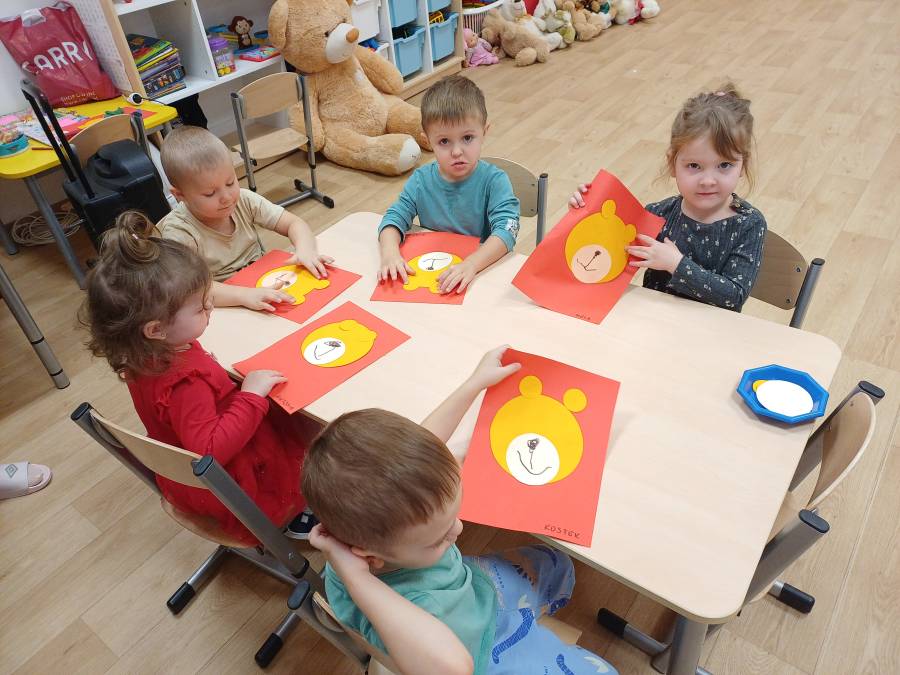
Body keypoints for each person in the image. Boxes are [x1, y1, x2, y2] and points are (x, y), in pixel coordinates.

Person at [302, 347, 618, 675]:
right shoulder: (382, 600)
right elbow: (454, 668)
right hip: (478, 651)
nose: (459, 530)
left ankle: (526, 612)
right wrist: (356, 578)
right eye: (438, 539)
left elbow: (425, 444)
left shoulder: (370, 531)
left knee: (558, 564)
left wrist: (474, 384)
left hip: (471, 593)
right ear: (369, 557)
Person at [81, 211, 316, 543]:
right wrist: (250, 396)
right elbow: (210, 450)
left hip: (193, 466)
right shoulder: (184, 383)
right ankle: (294, 514)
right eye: (201, 308)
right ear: (156, 329)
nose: (211, 308)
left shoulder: (146, 353)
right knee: (308, 433)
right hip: (238, 484)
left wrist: (217, 377)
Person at [570, 83, 766, 311]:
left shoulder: (749, 224)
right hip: (653, 322)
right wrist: (585, 209)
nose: (708, 180)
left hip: (711, 330)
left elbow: (734, 295)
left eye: (724, 165)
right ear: (672, 164)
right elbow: (604, 246)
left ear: (743, 166)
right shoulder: (658, 214)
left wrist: (677, 264)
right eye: (694, 166)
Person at [158, 125, 333, 311]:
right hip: (223, 303)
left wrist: (305, 250)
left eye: (230, 182)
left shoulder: (244, 200)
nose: (227, 197)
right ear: (180, 195)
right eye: (210, 193)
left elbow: (294, 223)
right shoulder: (179, 232)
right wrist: (243, 295)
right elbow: (192, 289)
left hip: (261, 283)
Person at [378, 75, 520, 295]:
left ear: (484, 132)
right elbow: (393, 218)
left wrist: (471, 264)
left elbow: (507, 231)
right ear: (428, 141)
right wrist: (390, 254)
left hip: (479, 275)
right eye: (444, 141)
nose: (456, 152)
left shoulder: (495, 181)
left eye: (467, 138)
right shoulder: (420, 180)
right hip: (434, 275)